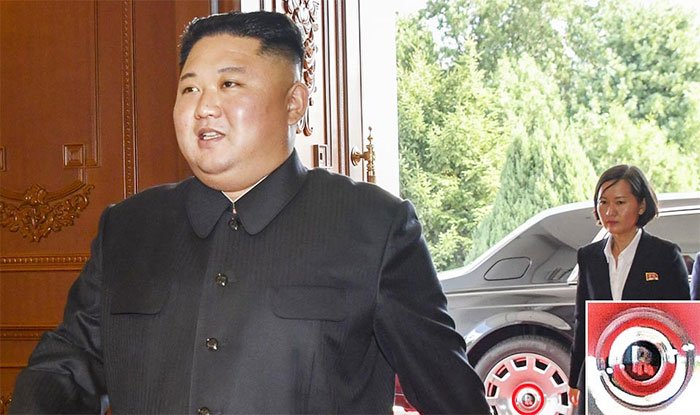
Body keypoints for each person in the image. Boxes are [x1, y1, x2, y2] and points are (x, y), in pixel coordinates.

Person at [9, 11, 489, 415]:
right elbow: (67, 367)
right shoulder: (128, 229)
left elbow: (451, 395)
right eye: (189, 89)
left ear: (294, 103)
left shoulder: (375, 227)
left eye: (229, 83)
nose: (204, 107)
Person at [568, 164, 690, 414]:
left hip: (651, 373)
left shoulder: (665, 255)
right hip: (599, 370)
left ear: (641, 205)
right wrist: (574, 379)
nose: (609, 211)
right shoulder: (589, 256)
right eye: (603, 202)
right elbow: (583, 320)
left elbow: (682, 324)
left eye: (620, 202)